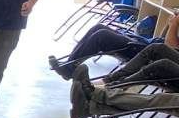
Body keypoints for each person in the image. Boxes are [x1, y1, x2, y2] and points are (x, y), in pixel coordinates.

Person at [49, 12, 179, 80]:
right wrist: (171, 23)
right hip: (149, 44)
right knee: (98, 27)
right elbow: (164, 39)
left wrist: (174, 25)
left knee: (102, 35)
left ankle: (69, 69)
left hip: (151, 54)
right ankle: (70, 64)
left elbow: (170, 48)